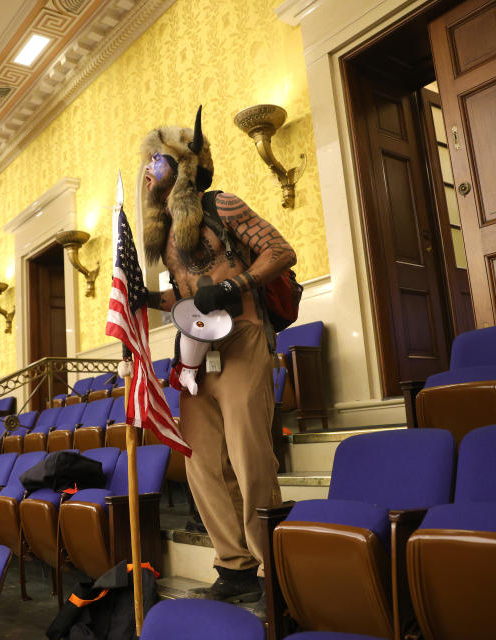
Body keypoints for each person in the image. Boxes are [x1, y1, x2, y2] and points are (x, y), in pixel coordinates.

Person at [140, 107, 296, 603]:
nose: (150, 173)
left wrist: (235, 283)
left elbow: (281, 251)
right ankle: (234, 566)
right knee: (201, 461)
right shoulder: (165, 236)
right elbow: (182, 296)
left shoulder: (221, 206)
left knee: (250, 456)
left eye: (159, 164)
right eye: (148, 166)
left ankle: (276, 566)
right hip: (194, 351)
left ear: (183, 167)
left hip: (244, 336)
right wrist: (144, 300)